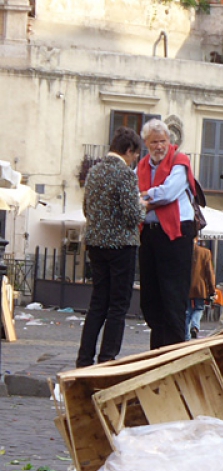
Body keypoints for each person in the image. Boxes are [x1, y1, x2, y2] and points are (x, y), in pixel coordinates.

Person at [76, 126, 146, 368]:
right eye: (135, 154)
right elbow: (132, 215)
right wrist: (143, 204)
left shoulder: (94, 171)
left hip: (96, 243)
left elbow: (87, 209)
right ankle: (107, 358)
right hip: (121, 246)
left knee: (98, 302)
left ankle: (84, 358)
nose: (136, 159)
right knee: (118, 304)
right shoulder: (125, 174)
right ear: (128, 150)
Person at [137, 119, 197, 349]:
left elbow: (170, 192)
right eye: (154, 142)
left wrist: (145, 197)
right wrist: (150, 199)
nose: (159, 146)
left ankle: (173, 352)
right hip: (150, 235)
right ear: (147, 143)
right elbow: (137, 194)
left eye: (163, 141)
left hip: (176, 234)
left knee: (173, 297)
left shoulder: (180, 162)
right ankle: (157, 351)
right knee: (151, 299)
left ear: (169, 141)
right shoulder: (141, 167)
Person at [186, 239, 216, 340]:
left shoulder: (184, 251)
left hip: (186, 287)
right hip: (200, 287)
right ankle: (195, 326)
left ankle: (186, 336)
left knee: (187, 311)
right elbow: (209, 273)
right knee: (199, 308)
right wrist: (212, 290)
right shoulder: (205, 253)